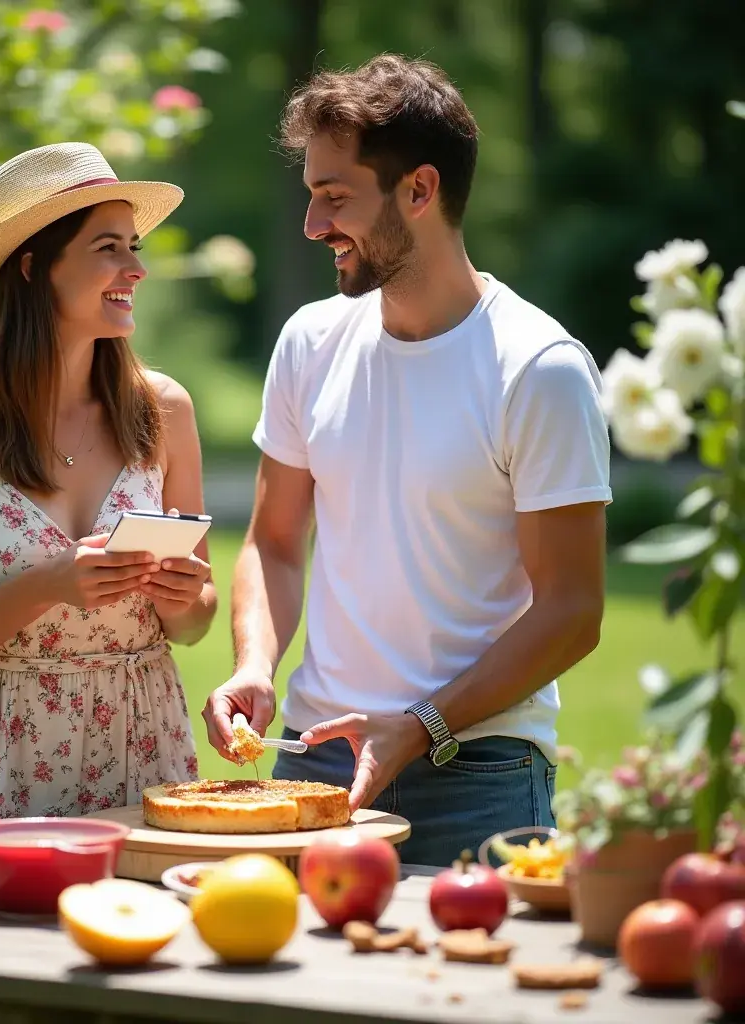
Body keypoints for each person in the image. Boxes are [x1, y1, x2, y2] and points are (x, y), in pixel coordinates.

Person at [203, 55, 612, 866]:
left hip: (478, 770)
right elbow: (275, 541)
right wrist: (255, 663)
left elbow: (572, 609)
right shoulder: (310, 342)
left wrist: (421, 725)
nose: (314, 226)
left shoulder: (539, 368)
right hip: (312, 761)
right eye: (312, 195)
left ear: (419, 191)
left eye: (336, 197)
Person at [0, 142, 216, 818]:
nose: (138, 267)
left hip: (143, 750)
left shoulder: (165, 410)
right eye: (109, 248)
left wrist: (186, 597)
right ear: (35, 267)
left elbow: (194, 624)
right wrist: (45, 586)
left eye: (133, 244)